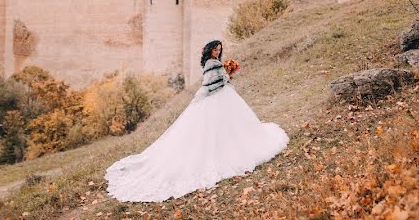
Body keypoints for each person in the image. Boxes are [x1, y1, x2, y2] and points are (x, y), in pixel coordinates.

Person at [105, 40, 288, 202]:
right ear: (209, 51)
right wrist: (225, 76)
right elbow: (209, 84)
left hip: (223, 96)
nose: (217, 52)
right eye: (215, 49)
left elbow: (218, 80)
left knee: (228, 125)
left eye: (219, 49)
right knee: (215, 126)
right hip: (217, 97)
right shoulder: (211, 64)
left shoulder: (214, 63)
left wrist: (227, 73)